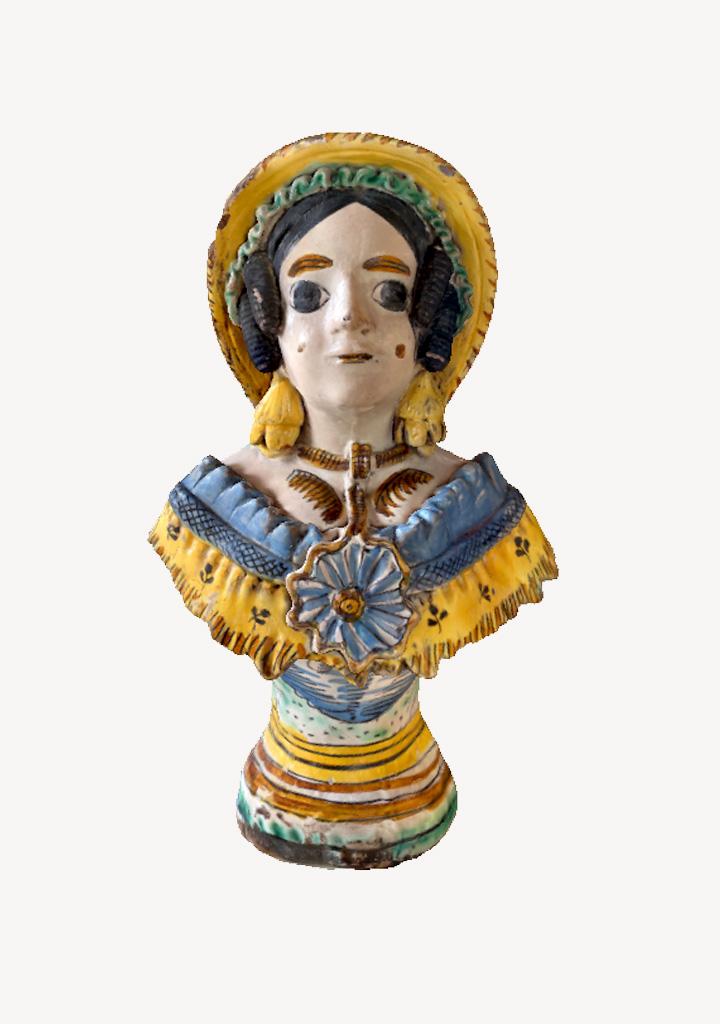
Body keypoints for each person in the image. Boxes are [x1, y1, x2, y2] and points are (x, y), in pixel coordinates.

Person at [149, 135, 558, 868]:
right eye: (310, 293)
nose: (348, 317)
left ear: (429, 326)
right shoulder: (217, 505)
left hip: (412, 783)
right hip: (280, 784)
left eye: (389, 293)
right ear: (269, 322)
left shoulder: (476, 507)